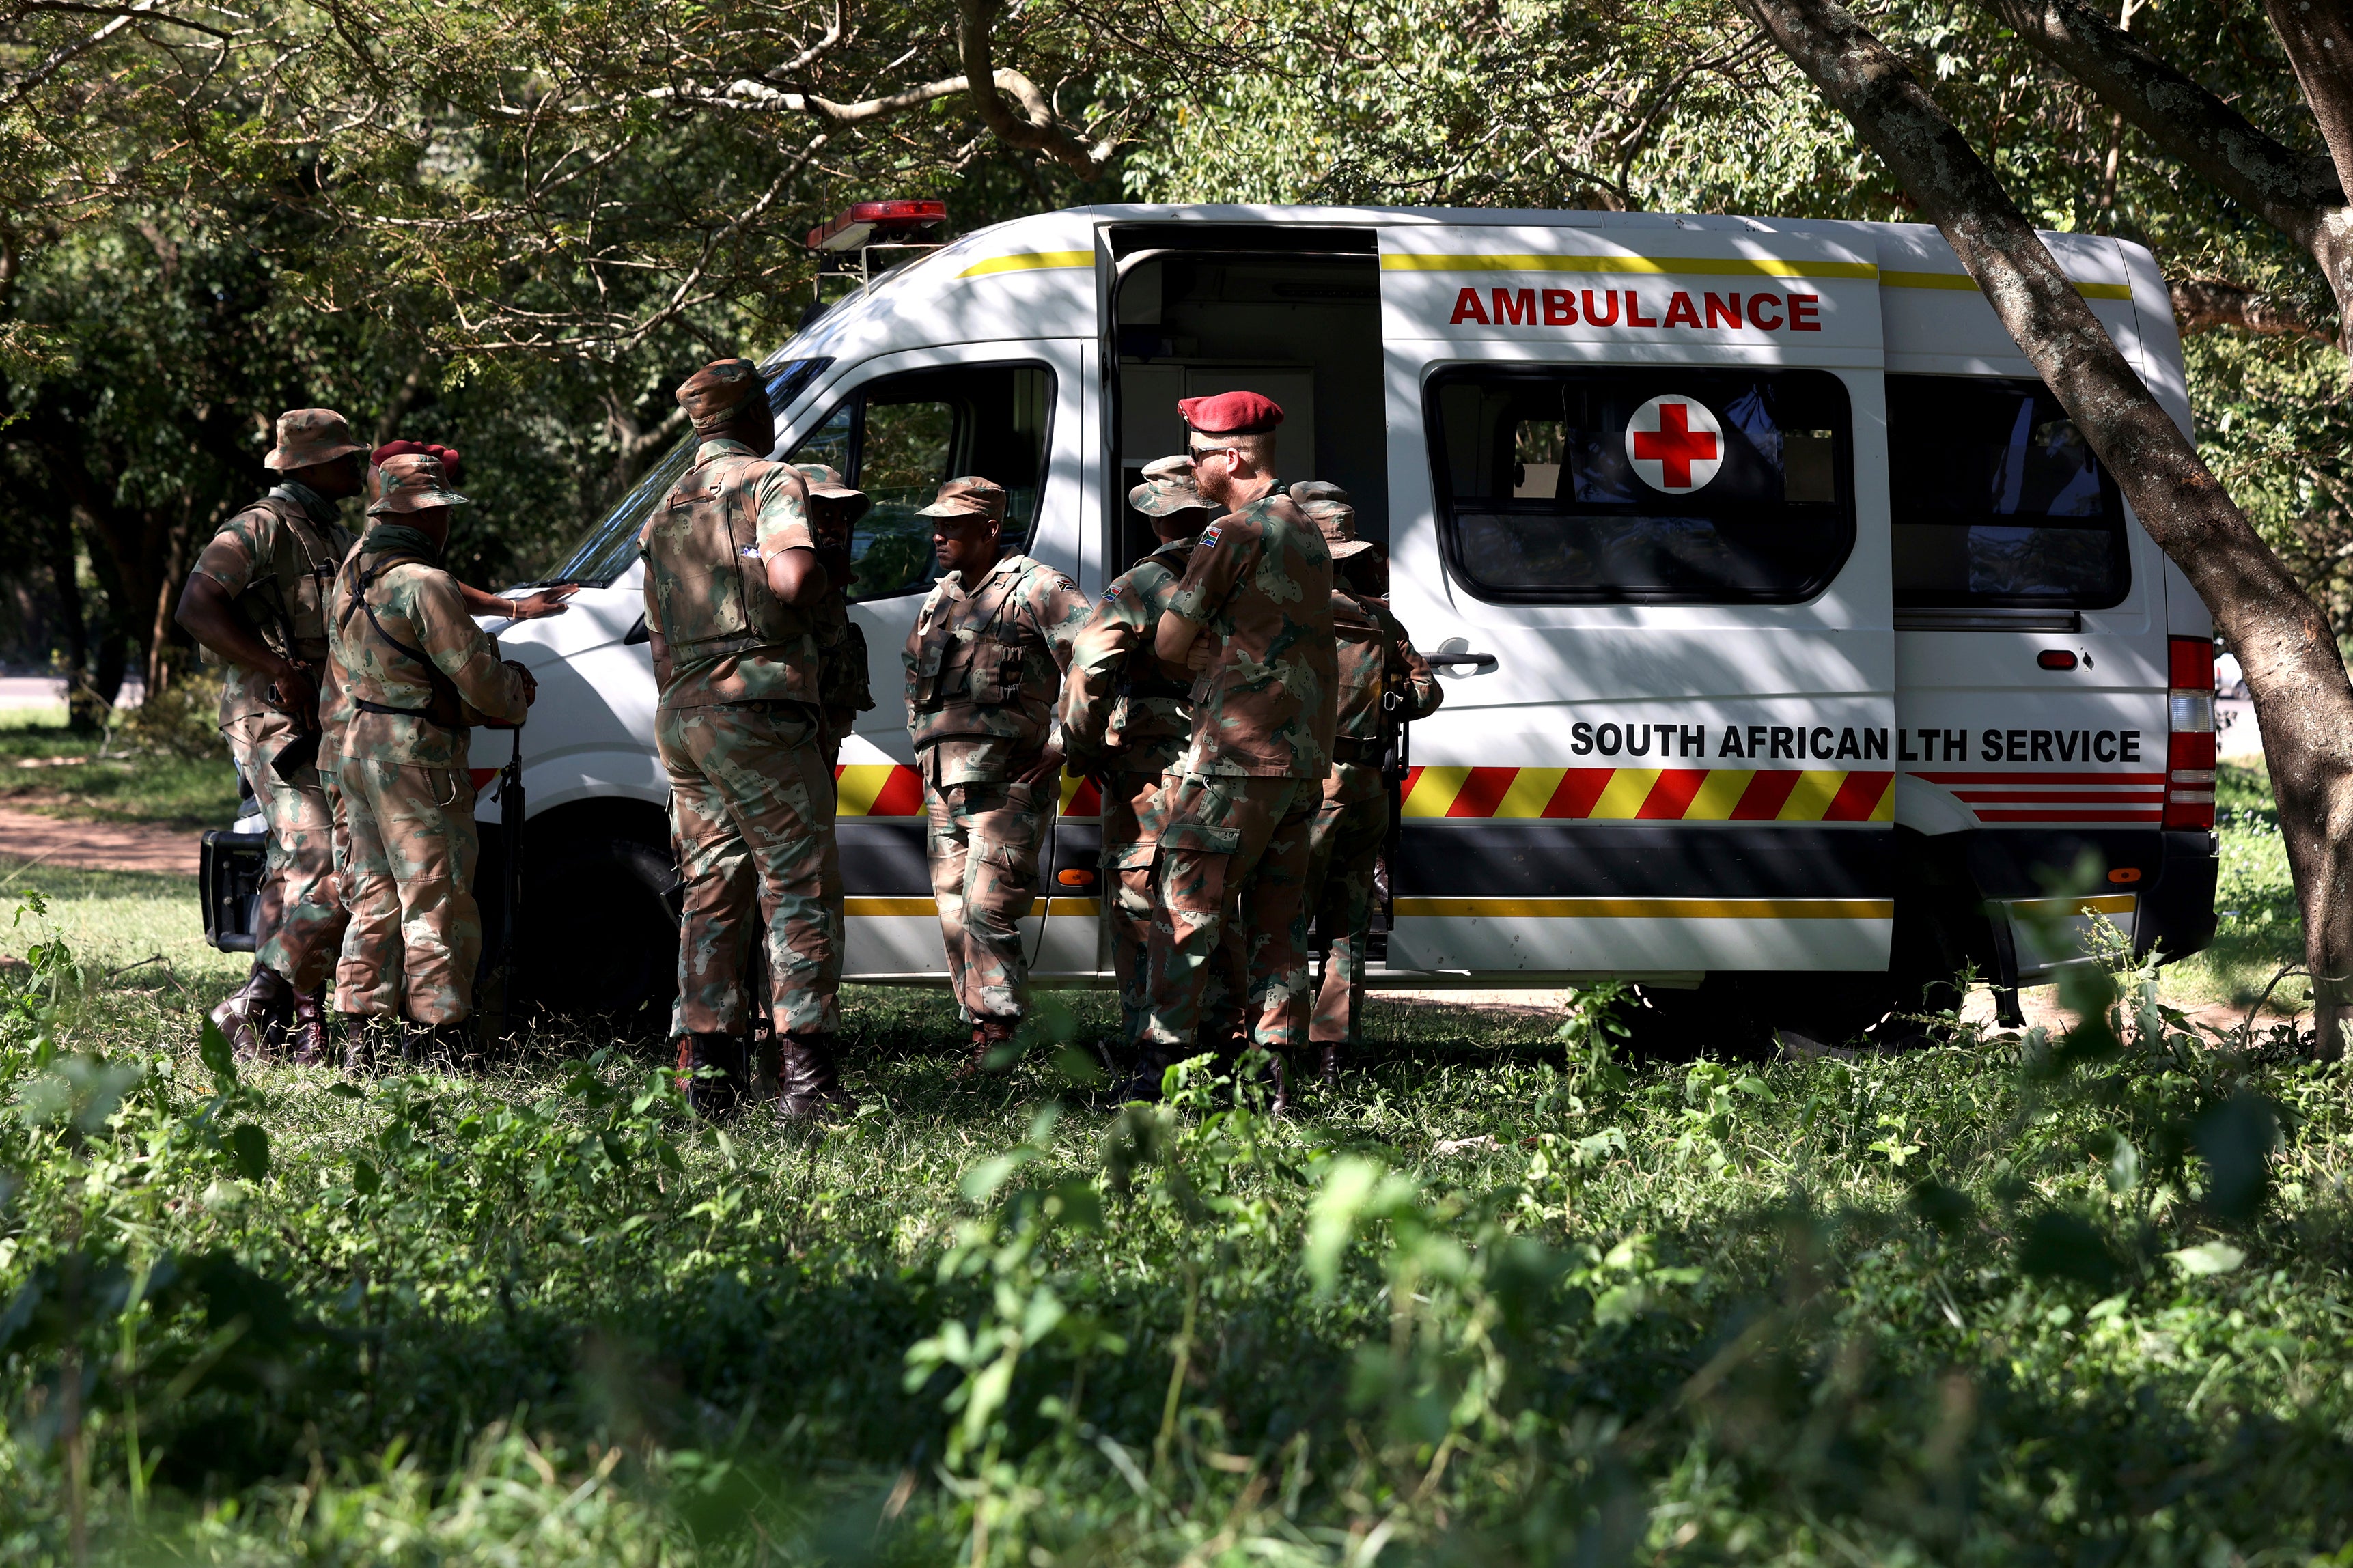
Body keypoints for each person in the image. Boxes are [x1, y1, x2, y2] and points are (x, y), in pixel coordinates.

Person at [638, 359, 849, 1120]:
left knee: (711, 891)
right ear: (757, 414)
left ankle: (709, 1078)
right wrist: (816, 574)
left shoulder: (662, 510)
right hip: (757, 707)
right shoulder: (768, 482)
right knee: (798, 886)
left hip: (685, 716)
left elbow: (660, 643)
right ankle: (807, 1083)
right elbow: (793, 580)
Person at [325, 441, 574, 1035]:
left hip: (358, 747)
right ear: (428, 515)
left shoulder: (354, 568)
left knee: (373, 897)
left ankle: (361, 1032)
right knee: (435, 897)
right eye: (443, 512)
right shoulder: (425, 582)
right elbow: (483, 685)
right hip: (418, 757)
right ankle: (438, 1035)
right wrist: (515, 687)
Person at [1132, 392, 1337, 1104]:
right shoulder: (1306, 528)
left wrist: (1205, 647)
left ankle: (1159, 1077)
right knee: (1278, 924)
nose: (1191, 467)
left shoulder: (1233, 532)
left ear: (1231, 456)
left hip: (1234, 757)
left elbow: (1168, 640)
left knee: (1184, 909)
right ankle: (1275, 1080)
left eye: (1196, 455)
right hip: (1298, 762)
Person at [177, 408, 365, 1065]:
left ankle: (279, 1020)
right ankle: (253, 1005)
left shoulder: (332, 531)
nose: (357, 466)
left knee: (290, 867)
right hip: (270, 715)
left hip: (320, 715)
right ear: (311, 466)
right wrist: (278, 668)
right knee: (322, 857)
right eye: (344, 458)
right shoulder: (259, 526)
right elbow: (196, 605)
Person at [902, 475, 1091, 1074]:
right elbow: (915, 678)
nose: (938, 537)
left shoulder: (1039, 587)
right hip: (944, 782)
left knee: (988, 909)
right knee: (954, 911)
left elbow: (1097, 662)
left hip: (1007, 782)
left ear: (989, 529)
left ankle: (1000, 1037)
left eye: (951, 527)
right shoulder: (942, 596)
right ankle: (981, 1029)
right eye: (935, 526)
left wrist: (1063, 744)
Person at [1060, 456, 1219, 1054]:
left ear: (1155, 518)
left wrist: (1084, 747)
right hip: (1238, 764)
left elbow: (1088, 666)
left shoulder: (1143, 583)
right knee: (1218, 902)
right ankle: (1226, 1047)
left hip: (1154, 772)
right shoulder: (1251, 576)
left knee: (1140, 902)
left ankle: (1149, 1048)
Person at [1293, 484, 1441, 1084]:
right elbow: (1427, 692)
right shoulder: (1379, 619)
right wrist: (1391, 700)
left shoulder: (1281, 616)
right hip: (1367, 788)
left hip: (1306, 788)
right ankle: (1333, 1055)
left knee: (1283, 920)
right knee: (1347, 925)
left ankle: (1276, 1051)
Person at [796, 462, 876, 770]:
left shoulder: (829, 578)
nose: (837, 527)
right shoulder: (783, 583)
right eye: (825, 515)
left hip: (825, 741)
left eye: (843, 518)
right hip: (796, 745)